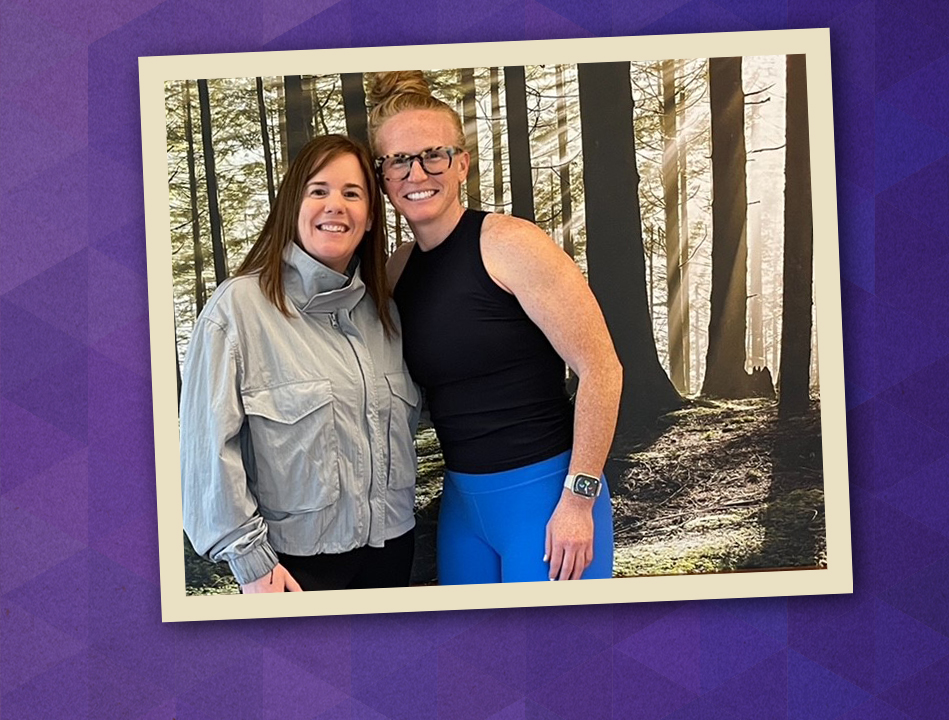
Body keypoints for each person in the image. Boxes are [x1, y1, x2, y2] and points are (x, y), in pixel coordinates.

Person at [367, 71, 622, 584]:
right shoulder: (394, 272)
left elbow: (602, 370)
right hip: (463, 510)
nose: (417, 173)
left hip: (548, 501)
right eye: (398, 160)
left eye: (433, 154)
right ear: (383, 178)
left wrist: (579, 500)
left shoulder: (511, 244)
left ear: (461, 163)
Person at [180, 134, 420, 593]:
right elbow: (205, 454)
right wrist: (251, 563)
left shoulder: (383, 313)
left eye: (353, 194)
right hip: (294, 571)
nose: (336, 205)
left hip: (393, 554)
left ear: (370, 218)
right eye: (318, 190)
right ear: (293, 205)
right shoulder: (238, 309)